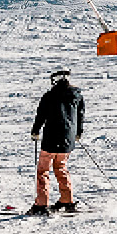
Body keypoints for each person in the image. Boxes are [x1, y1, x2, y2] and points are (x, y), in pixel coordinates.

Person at [28, 69, 85, 215]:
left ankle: (41, 204)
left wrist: (35, 131)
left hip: (51, 138)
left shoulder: (49, 96)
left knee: (43, 171)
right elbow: (80, 115)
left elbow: (41, 115)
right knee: (61, 167)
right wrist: (78, 133)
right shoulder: (77, 95)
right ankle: (67, 200)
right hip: (68, 139)